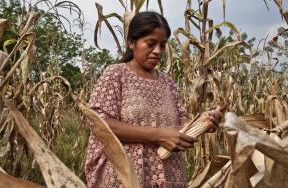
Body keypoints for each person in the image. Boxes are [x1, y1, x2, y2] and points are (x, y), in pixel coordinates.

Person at [84, 11, 222, 188]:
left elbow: (182, 122)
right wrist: (158, 135)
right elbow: (99, 124)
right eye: (151, 44)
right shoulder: (115, 74)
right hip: (125, 177)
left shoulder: (167, 82)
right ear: (131, 43)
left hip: (169, 175)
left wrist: (202, 123)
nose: (158, 51)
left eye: (162, 45)